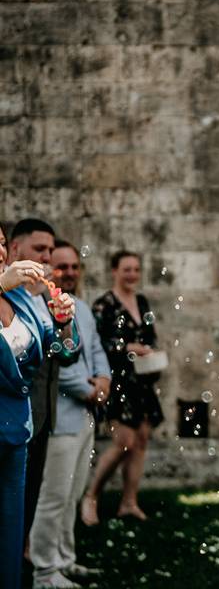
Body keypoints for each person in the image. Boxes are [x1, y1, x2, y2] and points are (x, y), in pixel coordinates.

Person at [0, 222, 79, 589]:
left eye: (0, 244)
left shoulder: (22, 301)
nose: (0, 253)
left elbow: (61, 351)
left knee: (11, 536)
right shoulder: (8, 287)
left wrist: (64, 323)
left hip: (16, 432)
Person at [30, 240, 110, 588]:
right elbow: (58, 363)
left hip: (86, 416)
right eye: (62, 267)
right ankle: (44, 570)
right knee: (54, 496)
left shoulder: (82, 308)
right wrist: (88, 389)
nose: (70, 273)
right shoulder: (44, 308)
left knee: (74, 492)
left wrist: (105, 379)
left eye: (75, 267)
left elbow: (94, 349)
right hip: (61, 416)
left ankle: (65, 558)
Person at [83, 251, 161, 524]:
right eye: (127, 269)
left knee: (140, 441)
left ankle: (129, 503)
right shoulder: (103, 305)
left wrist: (150, 352)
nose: (132, 275)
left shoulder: (141, 301)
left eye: (136, 270)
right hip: (116, 382)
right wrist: (127, 348)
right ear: (114, 271)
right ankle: (91, 496)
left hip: (142, 381)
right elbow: (96, 343)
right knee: (123, 442)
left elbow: (150, 335)